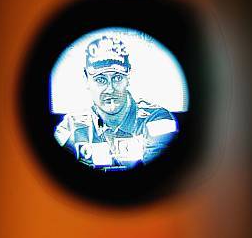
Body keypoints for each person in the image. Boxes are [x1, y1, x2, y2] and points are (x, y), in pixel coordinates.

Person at [54, 35, 178, 170]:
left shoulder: (158, 120)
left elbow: (159, 175)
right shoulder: (71, 126)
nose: (110, 89)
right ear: (86, 79)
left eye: (117, 77)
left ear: (128, 76)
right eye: (100, 79)